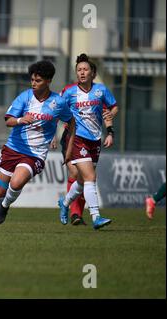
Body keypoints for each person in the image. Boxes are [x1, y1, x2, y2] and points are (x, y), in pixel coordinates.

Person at [0, 60, 76, 232]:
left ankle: (5, 207)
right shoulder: (25, 97)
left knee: (16, 183)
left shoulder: (58, 102)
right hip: (13, 148)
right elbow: (8, 121)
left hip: (35, 154)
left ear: (48, 81)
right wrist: (22, 120)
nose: (34, 84)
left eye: (38, 81)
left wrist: (67, 147)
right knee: (0, 191)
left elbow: (71, 122)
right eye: (32, 80)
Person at [58, 53, 119, 230]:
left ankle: (65, 203)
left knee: (83, 181)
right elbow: (57, 109)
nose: (82, 72)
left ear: (93, 73)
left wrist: (110, 129)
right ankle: (95, 217)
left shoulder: (101, 90)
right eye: (79, 70)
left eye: (85, 69)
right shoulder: (69, 92)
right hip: (77, 139)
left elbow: (113, 107)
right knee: (90, 177)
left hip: (95, 139)